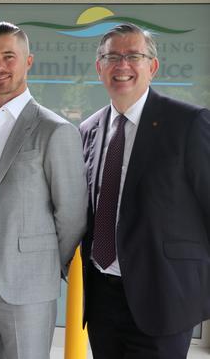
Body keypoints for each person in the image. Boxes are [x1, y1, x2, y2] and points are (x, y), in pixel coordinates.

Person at [0, 22, 87, 359]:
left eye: (9, 57)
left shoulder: (54, 130)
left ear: (28, 61)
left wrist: (41, 263)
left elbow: (71, 214)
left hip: (27, 279)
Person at [79, 23, 210, 359]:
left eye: (133, 56)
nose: (122, 65)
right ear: (99, 68)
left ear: (152, 66)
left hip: (164, 299)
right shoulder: (87, 130)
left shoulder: (188, 123)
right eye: (112, 57)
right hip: (102, 301)